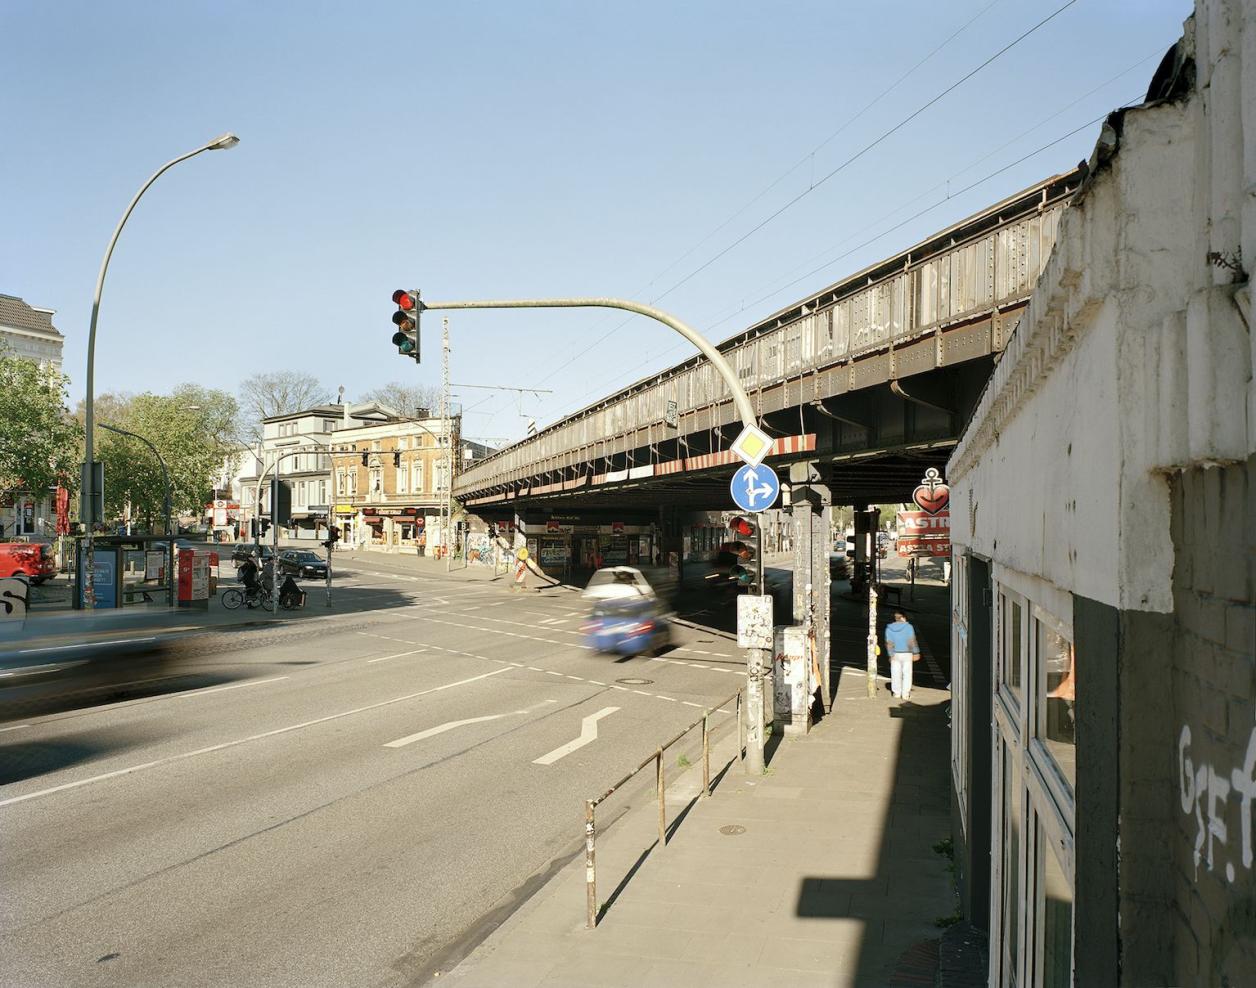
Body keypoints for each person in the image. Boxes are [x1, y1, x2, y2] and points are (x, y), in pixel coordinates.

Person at [884, 610, 920, 701]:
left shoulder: (889, 628)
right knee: (907, 674)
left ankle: (896, 693)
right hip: (907, 653)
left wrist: (890, 654)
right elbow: (911, 640)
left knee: (895, 673)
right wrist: (915, 652)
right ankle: (905, 694)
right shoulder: (909, 627)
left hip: (895, 654)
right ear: (903, 617)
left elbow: (889, 643)